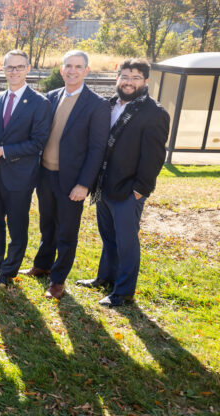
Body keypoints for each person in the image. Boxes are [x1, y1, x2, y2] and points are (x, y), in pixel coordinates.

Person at [78, 58, 169, 307]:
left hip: (129, 190)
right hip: (104, 185)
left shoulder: (155, 113)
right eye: (125, 77)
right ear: (117, 78)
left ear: (146, 81)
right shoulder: (109, 105)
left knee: (126, 242)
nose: (129, 82)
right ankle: (105, 277)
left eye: (136, 78)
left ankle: (124, 292)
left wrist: (140, 190)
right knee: (108, 237)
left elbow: (154, 157)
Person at [20, 50, 110, 299]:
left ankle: (57, 281)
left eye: (78, 67)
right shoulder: (51, 97)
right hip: (45, 174)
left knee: (67, 232)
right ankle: (43, 265)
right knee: (47, 224)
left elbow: (97, 149)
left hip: (72, 180)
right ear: (61, 70)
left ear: (86, 71)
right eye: (68, 66)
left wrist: (84, 184)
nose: (72, 71)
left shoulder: (97, 104)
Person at [0, 50, 52, 289]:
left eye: (19, 67)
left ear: (28, 69)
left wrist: (4, 150)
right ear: (3, 69)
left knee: (17, 226)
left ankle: (8, 271)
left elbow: (38, 142)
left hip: (20, 176)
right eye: (10, 67)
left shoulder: (40, 103)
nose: (14, 71)